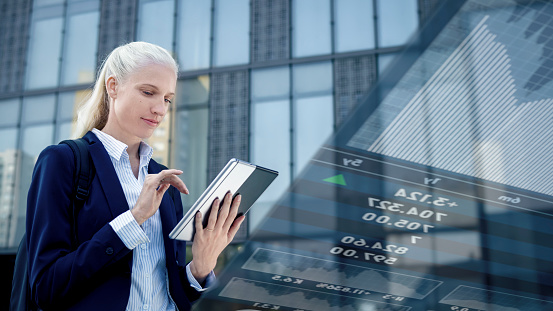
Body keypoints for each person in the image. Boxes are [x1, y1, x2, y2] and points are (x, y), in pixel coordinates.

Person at [25, 41, 245, 310]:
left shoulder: (164, 182)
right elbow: (46, 288)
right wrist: (134, 219)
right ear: (113, 86)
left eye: (167, 99)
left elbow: (170, 289)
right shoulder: (63, 161)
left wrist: (201, 266)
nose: (160, 109)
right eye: (148, 92)